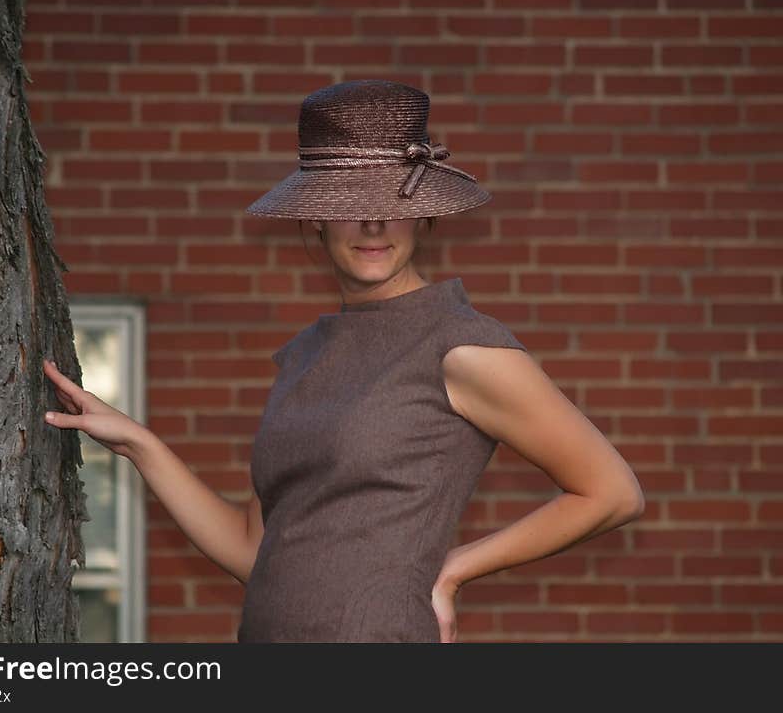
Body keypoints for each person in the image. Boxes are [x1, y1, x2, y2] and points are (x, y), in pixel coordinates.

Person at [43, 80, 644, 643]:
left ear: (425, 213)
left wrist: (456, 568)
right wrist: (137, 442)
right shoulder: (307, 354)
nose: (373, 222)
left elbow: (611, 492)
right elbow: (256, 552)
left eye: (391, 200)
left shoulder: (461, 346)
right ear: (315, 217)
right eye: (350, 201)